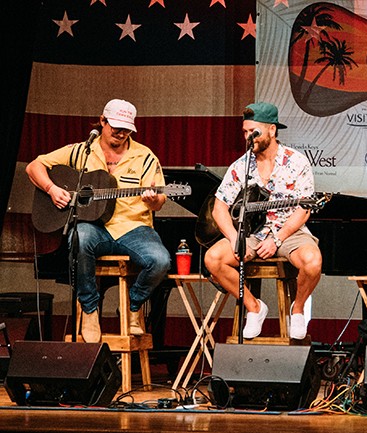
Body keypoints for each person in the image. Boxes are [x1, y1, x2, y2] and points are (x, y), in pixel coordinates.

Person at [26, 98, 171, 343]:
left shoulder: (145, 157)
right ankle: (90, 310)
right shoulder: (81, 151)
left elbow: (160, 200)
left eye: (126, 129)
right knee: (80, 237)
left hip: (133, 228)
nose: (121, 133)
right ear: (102, 121)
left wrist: (152, 200)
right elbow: (34, 166)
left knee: (160, 261)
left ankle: (133, 307)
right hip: (95, 227)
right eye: (116, 127)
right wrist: (51, 188)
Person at [204, 102, 322, 340]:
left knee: (313, 261)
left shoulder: (296, 162)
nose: (249, 137)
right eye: (246, 132)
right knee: (213, 259)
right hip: (252, 233)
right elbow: (219, 208)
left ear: (272, 130)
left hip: (288, 232)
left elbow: (304, 209)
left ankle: (297, 309)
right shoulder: (240, 166)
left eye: (254, 132)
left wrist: (277, 238)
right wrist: (235, 237)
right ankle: (255, 307)